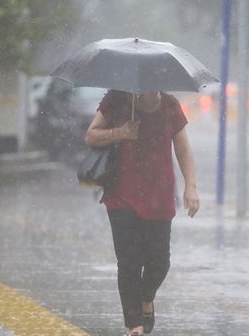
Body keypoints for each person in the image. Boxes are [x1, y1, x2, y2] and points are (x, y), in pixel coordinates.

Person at [85, 89, 199, 336]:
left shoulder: (170, 105)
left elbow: (182, 149)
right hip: (121, 195)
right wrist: (120, 132)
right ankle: (133, 324)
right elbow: (91, 136)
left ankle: (147, 298)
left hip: (160, 196)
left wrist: (191, 186)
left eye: (153, 86)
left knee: (160, 262)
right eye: (143, 87)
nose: (147, 92)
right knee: (129, 262)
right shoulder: (117, 100)